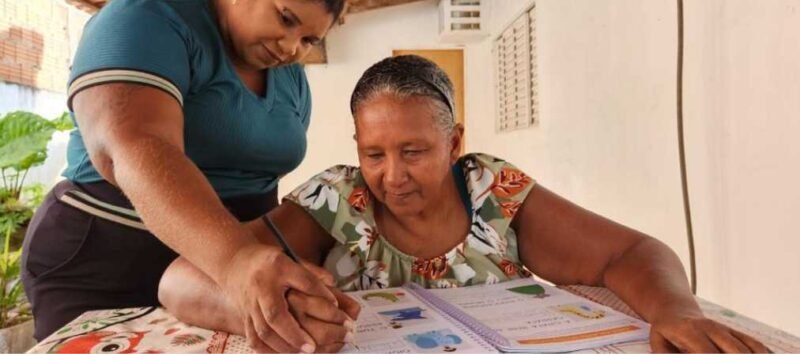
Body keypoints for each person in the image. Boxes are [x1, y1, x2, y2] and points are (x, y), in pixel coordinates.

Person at [160, 55, 770, 353]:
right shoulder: (336, 199)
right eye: (374, 154)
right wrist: (268, 313)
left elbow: (631, 252)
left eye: (415, 151)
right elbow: (180, 281)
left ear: (455, 142)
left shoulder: (493, 195)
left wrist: (675, 311)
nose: (391, 176)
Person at [21, 0, 352, 352]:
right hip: (106, 261)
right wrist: (236, 260)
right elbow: (133, 146)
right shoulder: (145, 21)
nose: (290, 48)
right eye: (285, 19)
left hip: (211, 278)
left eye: (308, 40)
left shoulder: (291, 80)